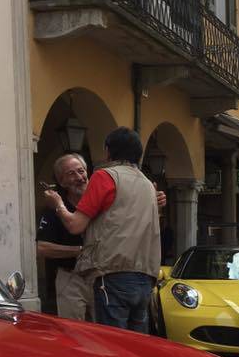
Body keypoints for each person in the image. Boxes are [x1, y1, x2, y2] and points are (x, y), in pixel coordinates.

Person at [45, 127, 161, 334]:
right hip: (145, 277)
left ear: (108, 151)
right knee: (136, 344)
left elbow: (75, 225)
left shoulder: (104, 177)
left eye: (80, 171)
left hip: (113, 275)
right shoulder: (147, 185)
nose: (80, 176)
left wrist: (58, 205)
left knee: (112, 343)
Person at [36, 153, 94, 321]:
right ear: (61, 182)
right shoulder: (54, 209)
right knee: (74, 332)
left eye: (81, 171)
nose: (79, 177)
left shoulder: (100, 203)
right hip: (71, 278)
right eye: (71, 174)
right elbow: (41, 248)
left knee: (105, 333)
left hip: (100, 277)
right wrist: (79, 251)